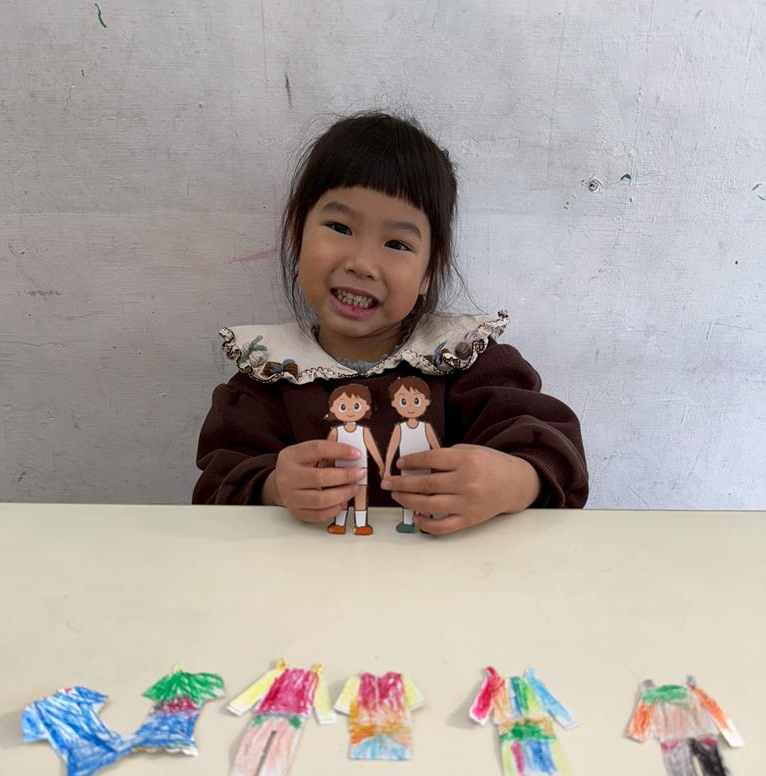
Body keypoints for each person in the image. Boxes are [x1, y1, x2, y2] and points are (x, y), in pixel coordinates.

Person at [194, 111, 588, 533]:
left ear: (428, 274)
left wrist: (512, 481)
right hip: (303, 574)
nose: (362, 263)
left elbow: (557, 456)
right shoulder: (268, 376)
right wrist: (273, 487)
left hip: (450, 570)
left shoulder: (466, 362)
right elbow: (214, 492)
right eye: (340, 226)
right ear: (297, 235)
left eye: (397, 243)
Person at [383, 376, 441, 533]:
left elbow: (437, 448)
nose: (410, 406)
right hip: (405, 469)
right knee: (406, 495)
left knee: (425, 494)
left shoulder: (426, 427)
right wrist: (387, 469)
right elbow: (391, 449)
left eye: (416, 401)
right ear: (395, 403)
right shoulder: (400, 428)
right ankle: (407, 522)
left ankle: (426, 519)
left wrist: (440, 466)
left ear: (426, 402)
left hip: (426, 470)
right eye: (403, 401)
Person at [324, 383, 384, 535]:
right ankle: (339, 524)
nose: (350, 411)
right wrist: (324, 470)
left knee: (360, 497)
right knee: (341, 498)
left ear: (366, 407)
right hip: (339, 472)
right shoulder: (336, 431)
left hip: (361, 470)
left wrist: (381, 466)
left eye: (356, 406)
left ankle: (361, 525)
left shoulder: (363, 431)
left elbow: (373, 449)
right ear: (333, 409)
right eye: (343, 407)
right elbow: (327, 453)